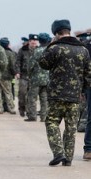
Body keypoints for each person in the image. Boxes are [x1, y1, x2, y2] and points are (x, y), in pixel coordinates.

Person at [39, 19, 91, 166]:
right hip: (75, 96)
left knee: (52, 122)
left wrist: (50, 44)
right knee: (71, 127)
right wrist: (83, 92)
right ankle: (68, 158)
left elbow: (43, 63)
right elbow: (88, 74)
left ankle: (58, 153)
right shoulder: (83, 50)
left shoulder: (55, 48)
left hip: (57, 95)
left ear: (56, 33)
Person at [26, 33, 51, 122]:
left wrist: (29, 74)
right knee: (44, 98)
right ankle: (44, 116)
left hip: (36, 78)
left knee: (32, 98)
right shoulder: (50, 50)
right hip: (47, 79)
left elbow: (30, 65)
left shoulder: (36, 51)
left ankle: (32, 116)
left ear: (39, 41)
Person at [15, 34, 39, 117]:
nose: (34, 42)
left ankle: (30, 112)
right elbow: (18, 62)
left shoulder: (38, 50)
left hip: (34, 76)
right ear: (29, 41)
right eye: (33, 41)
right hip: (24, 75)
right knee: (22, 93)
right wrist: (17, 72)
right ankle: (22, 108)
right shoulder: (22, 50)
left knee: (32, 95)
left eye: (36, 41)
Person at [0, 37, 16, 114]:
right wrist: (14, 73)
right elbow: (12, 65)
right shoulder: (10, 53)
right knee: (8, 92)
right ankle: (11, 108)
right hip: (7, 76)